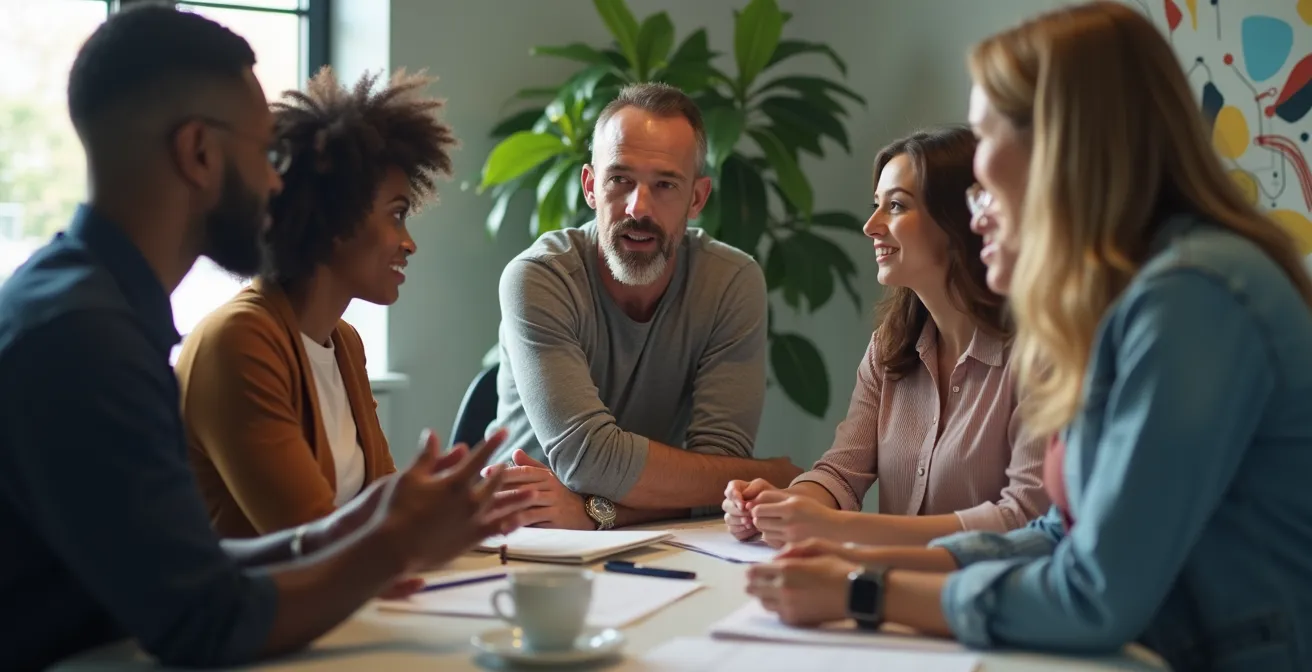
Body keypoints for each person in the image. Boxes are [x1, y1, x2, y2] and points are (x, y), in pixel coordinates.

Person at [742, 3, 1312, 669]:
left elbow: (1094, 593)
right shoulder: (1136, 299)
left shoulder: (1193, 298)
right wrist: (854, 558)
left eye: (984, 138)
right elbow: (1058, 534)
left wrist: (865, 591)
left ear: (1061, 145)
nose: (974, 196)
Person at [0, 7, 526, 670]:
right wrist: (395, 544)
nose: (279, 182)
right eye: (264, 152)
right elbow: (205, 622)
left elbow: (182, 560)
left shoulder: (83, 305)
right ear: (199, 153)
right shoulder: (84, 339)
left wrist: (355, 525)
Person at [488, 82, 802, 531]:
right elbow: (591, 460)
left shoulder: (731, 282)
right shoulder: (540, 276)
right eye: (620, 179)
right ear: (591, 187)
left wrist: (595, 514)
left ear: (697, 198)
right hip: (521, 536)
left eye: (665, 184)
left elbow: (723, 464)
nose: (639, 207)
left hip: (654, 538)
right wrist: (769, 475)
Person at [721, 127, 1048, 549]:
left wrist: (836, 528)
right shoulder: (888, 347)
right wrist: (782, 505)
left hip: (982, 602)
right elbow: (841, 472)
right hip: (891, 592)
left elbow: (1024, 517)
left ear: (960, 221)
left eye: (896, 206)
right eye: (876, 206)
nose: (871, 226)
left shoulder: (1037, 355)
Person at [175, 66, 456, 537]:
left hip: (341, 603)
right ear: (335, 217)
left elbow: (379, 512)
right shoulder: (238, 341)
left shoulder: (343, 343)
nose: (409, 243)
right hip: (268, 608)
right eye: (397, 214)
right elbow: (310, 538)